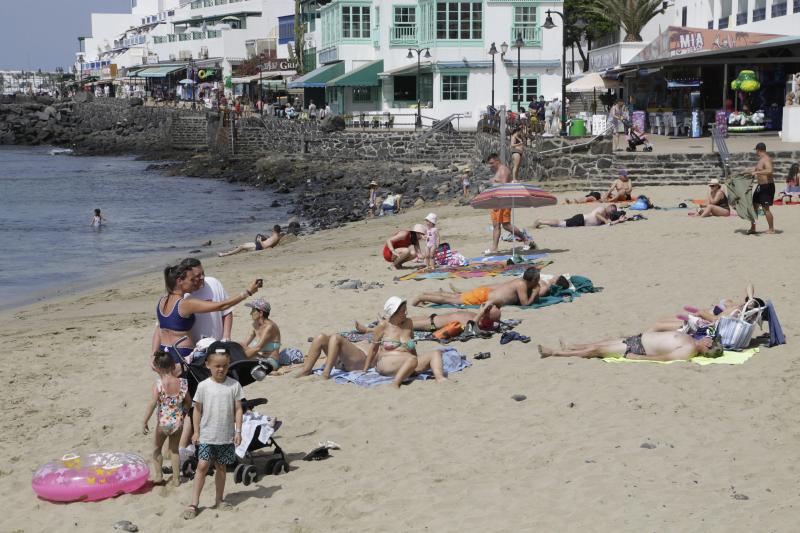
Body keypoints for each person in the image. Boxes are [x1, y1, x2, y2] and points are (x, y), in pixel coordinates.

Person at [154, 264, 261, 366]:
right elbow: (222, 306)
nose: (194, 283)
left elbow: (159, 330)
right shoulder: (185, 304)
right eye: (191, 280)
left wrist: (153, 354)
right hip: (181, 353)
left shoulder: (161, 302)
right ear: (179, 281)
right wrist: (248, 292)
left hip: (164, 352)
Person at [184, 348, 243, 520]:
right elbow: (197, 410)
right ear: (208, 365)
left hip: (226, 435)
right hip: (207, 435)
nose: (221, 369)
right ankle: (194, 502)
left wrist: (238, 430)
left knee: (221, 467)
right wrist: (196, 432)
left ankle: (219, 499)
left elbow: (238, 409)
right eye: (217, 366)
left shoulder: (234, 385)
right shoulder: (203, 386)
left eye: (225, 366)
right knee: (202, 466)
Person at [410, 268, 562, 325]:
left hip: (484, 293)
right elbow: (525, 304)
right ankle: (421, 296)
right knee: (451, 299)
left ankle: (424, 296)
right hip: (483, 297)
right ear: (533, 280)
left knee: (453, 296)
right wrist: (535, 292)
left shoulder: (521, 282)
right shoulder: (522, 285)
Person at [142, 350, 191, 486]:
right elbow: (188, 401)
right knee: (174, 450)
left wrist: (144, 421)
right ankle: (176, 478)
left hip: (163, 423)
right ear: (173, 366)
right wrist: (184, 411)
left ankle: (159, 476)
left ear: (158, 368)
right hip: (178, 423)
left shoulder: (158, 384)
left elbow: (153, 403)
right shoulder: (182, 383)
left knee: (157, 448)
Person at [538, 331, 723, 361]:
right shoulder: (692, 341)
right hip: (639, 339)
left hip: (638, 349)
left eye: (709, 341)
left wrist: (638, 358)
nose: (707, 338)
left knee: (597, 351)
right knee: (602, 342)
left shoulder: (689, 351)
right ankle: (572, 345)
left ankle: (555, 353)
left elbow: (664, 358)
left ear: (707, 347)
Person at [484, 153, 534, 254]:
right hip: (497, 201)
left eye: (492, 163)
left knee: (503, 225)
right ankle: (495, 248)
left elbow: (503, 185)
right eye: (489, 163)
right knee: (499, 225)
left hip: (504, 201)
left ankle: (525, 240)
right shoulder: (498, 170)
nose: (491, 165)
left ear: (497, 160)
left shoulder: (503, 170)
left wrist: (494, 181)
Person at [355, 304, 502, 334]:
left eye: (488, 309)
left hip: (432, 324)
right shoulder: (478, 316)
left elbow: (471, 327)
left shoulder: (476, 320)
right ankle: (385, 322)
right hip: (432, 317)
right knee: (405, 319)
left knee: (401, 326)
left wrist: (482, 312)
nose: (485, 306)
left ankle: (369, 330)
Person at [749, 142, 775, 234]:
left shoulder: (766, 159)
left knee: (765, 208)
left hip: (767, 186)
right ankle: (753, 228)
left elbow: (769, 170)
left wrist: (756, 173)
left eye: (756, 150)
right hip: (760, 186)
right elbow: (755, 169)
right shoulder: (761, 160)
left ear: (758, 150)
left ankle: (771, 229)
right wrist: (744, 172)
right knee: (754, 206)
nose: (756, 152)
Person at [533, 204, 625, 228]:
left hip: (581, 221)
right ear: (608, 207)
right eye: (612, 210)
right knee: (561, 223)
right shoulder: (602, 210)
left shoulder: (606, 216)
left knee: (560, 223)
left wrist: (619, 220)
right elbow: (597, 215)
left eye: (613, 211)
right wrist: (605, 221)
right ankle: (541, 221)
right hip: (581, 219)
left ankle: (543, 222)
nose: (612, 212)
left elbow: (609, 224)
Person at [218, 225, 282, 257]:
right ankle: (232, 251)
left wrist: (260, 241)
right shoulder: (277, 236)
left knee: (242, 247)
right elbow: (270, 244)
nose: (272, 230)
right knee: (243, 244)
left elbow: (265, 246)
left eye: (272, 229)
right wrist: (265, 239)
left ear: (274, 230)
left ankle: (224, 254)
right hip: (258, 245)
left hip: (259, 246)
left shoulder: (274, 237)